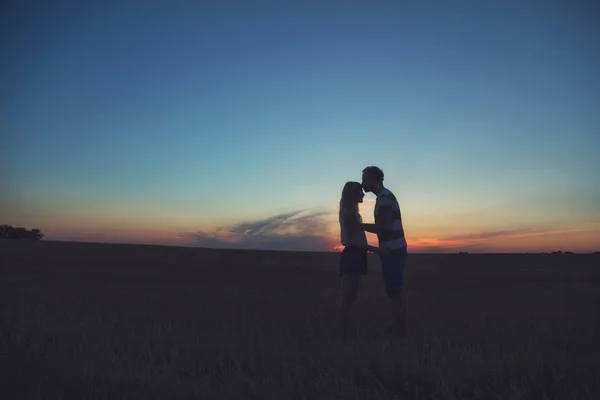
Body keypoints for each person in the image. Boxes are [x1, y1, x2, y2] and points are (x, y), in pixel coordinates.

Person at [361, 166, 408, 337]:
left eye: (363, 177)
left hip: (393, 251)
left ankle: (400, 330)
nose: (362, 182)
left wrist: (359, 226)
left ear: (373, 178)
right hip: (393, 249)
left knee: (395, 292)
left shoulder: (384, 198)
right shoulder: (384, 197)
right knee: (395, 291)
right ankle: (399, 328)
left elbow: (385, 228)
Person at [337, 181, 386, 332]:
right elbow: (355, 242)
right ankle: (342, 328)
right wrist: (378, 251)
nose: (363, 194)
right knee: (348, 296)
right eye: (360, 192)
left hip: (356, 256)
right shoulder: (350, 214)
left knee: (351, 295)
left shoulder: (351, 213)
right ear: (353, 195)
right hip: (353, 256)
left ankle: (345, 326)